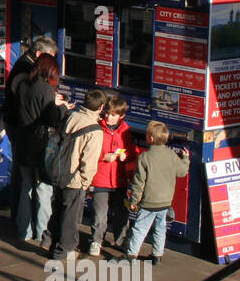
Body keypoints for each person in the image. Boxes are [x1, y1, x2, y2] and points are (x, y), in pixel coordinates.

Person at [11, 52, 70, 247]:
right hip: (41, 146)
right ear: (49, 71)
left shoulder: (23, 86)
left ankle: (23, 231)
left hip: (23, 144)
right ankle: (42, 233)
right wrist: (62, 107)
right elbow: (51, 117)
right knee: (43, 189)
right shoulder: (45, 90)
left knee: (26, 187)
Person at [52, 88, 108, 262]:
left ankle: (51, 242)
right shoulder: (95, 130)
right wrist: (85, 182)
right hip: (74, 178)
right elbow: (89, 162)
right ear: (101, 108)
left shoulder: (71, 116)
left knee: (58, 210)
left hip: (58, 170)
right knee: (71, 216)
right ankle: (64, 250)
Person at [123, 121, 191, 265]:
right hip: (165, 202)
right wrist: (185, 159)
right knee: (160, 229)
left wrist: (134, 201)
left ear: (150, 138)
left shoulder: (144, 158)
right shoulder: (172, 155)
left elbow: (139, 182)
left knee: (140, 228)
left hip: (149, 202)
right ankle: (157, 256)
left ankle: (131, 255)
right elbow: (182, 172)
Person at [88, 95, 139, 255]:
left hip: (119, 180)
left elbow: (132, 152)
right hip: (100, 179)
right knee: (100, 214)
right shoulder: (97, 128)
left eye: (113, 114)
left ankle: (121, 241)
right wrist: (104, 157)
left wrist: (127, 156)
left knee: (121, 213)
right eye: (107, 113)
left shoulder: (126, 131)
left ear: (121, 116)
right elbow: (89, 151)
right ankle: (96, 241)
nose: (109, 117)